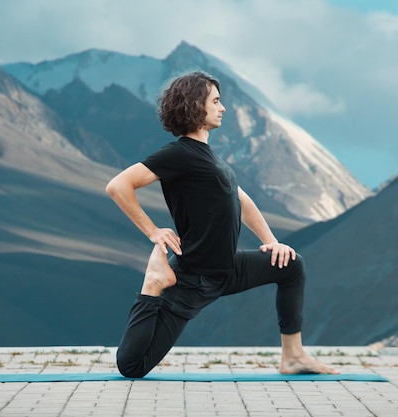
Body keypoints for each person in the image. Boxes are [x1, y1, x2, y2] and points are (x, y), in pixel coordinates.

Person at [105, 70, 338, 378]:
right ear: (194, 105)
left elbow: (242, 202)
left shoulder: (211, 158)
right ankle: (152, 285)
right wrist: (153, 231)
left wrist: (271, 241)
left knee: (291, 265)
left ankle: (293, 357)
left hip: (227, 269)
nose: (222, 107)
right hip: (193, 278)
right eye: (215, 101)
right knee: (133, 367)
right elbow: (118, 186)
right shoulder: (179, 153)